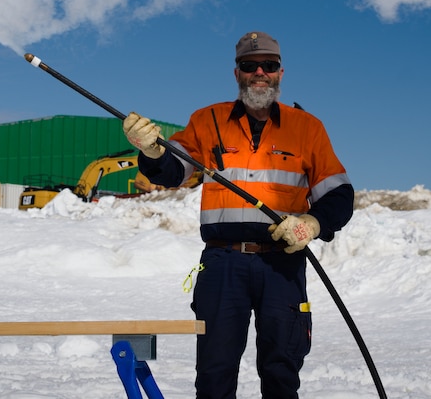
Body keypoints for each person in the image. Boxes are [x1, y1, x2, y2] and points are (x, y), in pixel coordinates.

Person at [123, 31, 354, 399]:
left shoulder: (307, 128)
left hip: (283, 265)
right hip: (222, 263)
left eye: (269, 65)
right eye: (250, 66)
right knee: (215, 371)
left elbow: (339, 194)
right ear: (237, 74)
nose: (259, 72)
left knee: (282, 369)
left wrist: (312, 223)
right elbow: (172, 172)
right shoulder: (206, 120)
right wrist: (152, 152)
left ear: (280, 72)